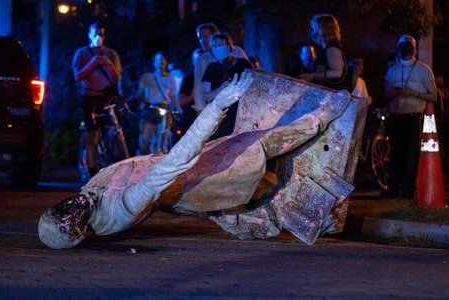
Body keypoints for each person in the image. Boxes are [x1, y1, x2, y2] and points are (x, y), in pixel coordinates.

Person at [38, 72, 352, 250]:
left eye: (62, 207)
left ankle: (259, 212)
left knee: (238, 186)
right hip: (200, 177)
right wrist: (217, 106)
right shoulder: (122, 208)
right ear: (78, 229)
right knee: (261, 144)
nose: (71, 205)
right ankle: (323, 116)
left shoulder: (88, 196)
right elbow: (174, 162)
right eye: (69, 216)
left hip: (192, 176)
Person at [383, 34, 438, 198]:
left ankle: (409, 192)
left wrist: (413, 93)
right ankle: (393, 191)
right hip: (395, 118)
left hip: (413, 119)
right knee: (395, 156)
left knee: (411, 157)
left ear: (413, 49)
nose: (404, 50)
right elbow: (385, 94)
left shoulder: (423, 70)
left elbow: (434, 96)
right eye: (402, 46)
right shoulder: (393, 70)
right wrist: (392, 93)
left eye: (407, 46)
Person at [72, 22, 122, 177]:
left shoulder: (111, 54)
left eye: (101, 33)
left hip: (107, 98)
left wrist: (107, 64)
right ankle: (92, 170)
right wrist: (92, 63)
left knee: (114, 130)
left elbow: (116, 77)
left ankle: (114, 163)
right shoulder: (82, 53)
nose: (98, 37)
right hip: (90, 97)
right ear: (89, 34)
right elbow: (77, 76)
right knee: (92, 134)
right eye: (95, 33)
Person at [202, 32, 252, 140]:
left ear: (229, 45)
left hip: (239, 113)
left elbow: (253, 83)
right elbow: (206, 96)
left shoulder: (242, 64)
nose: (217, 48)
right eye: (215, 45)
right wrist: (220, 89)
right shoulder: (211, 68)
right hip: (219, 115)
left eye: (220, 44)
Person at [193, 23, 248, 114]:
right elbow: (198, 87)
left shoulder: (236, 52)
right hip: (216, 108)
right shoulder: (202, 61)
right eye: (200, 38)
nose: (202, 41)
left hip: (240, 105)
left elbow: (250, 74)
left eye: (205, 36)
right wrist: (200, 109)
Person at [137, 51, 181, 155]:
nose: (160, 62)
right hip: (149, 109)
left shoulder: (172, 79)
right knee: (144, 143)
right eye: (157, 60)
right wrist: (142, 102)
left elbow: (173, 97)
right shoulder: (146, 77)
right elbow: (140, 93)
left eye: (162, 59)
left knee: (161, 144)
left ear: (166, 62)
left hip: (164, 110)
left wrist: (180, 111)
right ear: (154, 63)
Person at [301, 14, 348, 91]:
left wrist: (312, 76)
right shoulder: (327, 47)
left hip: (330, 97)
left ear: (324, 28)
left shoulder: (332, 46)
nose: (312, 28)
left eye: (314, 25)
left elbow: (337, 73)